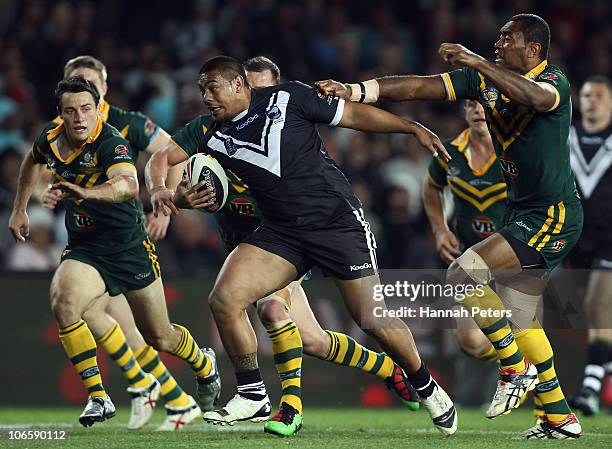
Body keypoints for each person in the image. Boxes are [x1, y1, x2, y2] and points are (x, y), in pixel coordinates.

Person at [146, 55, 457, 437]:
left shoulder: (290, 98)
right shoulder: (207, 130)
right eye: (201, 90)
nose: (206, 96)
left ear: (239, 85)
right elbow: (161, 157)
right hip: (281, 231)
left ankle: (425, 385)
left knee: (372, 319)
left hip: (337, 224)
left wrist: (409, 128)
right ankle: (253, 394)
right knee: (225, 299)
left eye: (212, 88)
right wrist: (164, 191)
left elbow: (354, 116)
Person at [316, 13, 582, 439]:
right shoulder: (484, 85)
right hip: (523, 213)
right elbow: (421, 85)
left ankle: (514, 369)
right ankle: (560, 416)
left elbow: (534, 98)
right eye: (496, 39)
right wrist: (356, 91)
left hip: (552, 215)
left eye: (506, 38)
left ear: (532, 49)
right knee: (522, 318)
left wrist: (477, 63)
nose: (498, 44)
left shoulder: (554, 81)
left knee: (461, 274)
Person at [8, 76, 219, 428]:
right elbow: (32, 160)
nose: (79, 118)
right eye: (71, 111)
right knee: (64, 302)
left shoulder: (111, 140)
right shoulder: (50, 137)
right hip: (86, 248)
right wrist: (20, 208)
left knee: (159, 336)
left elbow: (127, 184)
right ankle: (98, 397)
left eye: (86, 110)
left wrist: (86, 193)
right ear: (59, 114)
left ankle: (202, 362)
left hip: (128, 246)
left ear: (97, 110)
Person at [567, 75, 612, 416]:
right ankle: (602, 370)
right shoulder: (564, 137)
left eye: (598, 95)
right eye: (586, 95)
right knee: (592, 316)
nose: (591, 101)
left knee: (599, 308)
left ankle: (589, 389)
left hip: (609, 241)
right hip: (574, 242)